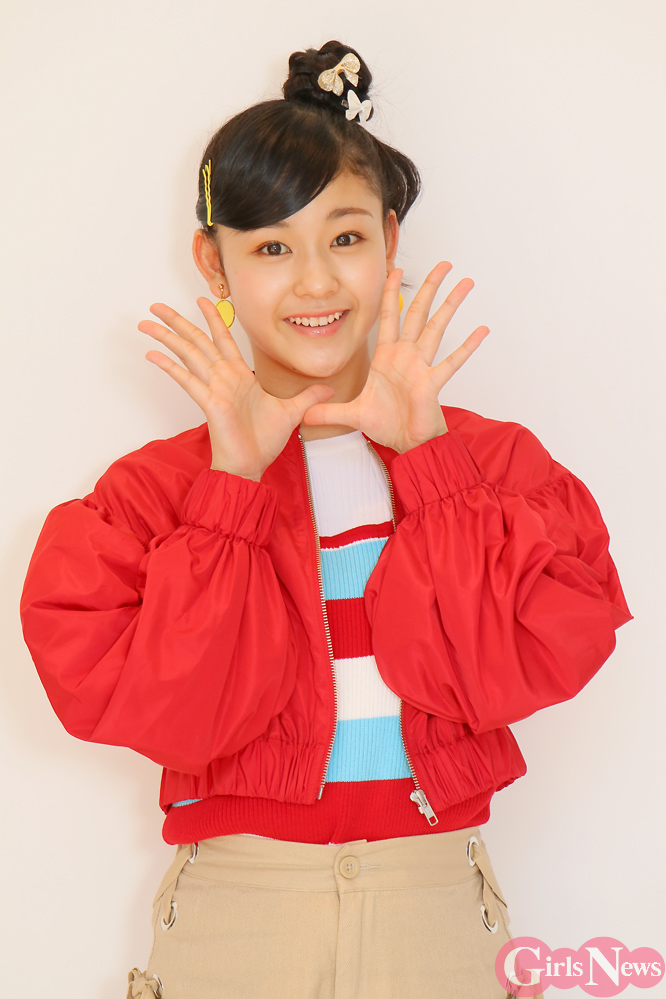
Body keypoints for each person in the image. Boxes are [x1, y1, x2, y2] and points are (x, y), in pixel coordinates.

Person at [19, 40, 633, 999]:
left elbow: (506, 673)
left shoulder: (487, 467)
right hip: (238, 911)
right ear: (214, 262)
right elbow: (180, 716)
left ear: (389, 240)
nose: (314, 282)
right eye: (272, 247)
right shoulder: (157, 493)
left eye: (344, 239)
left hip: (436, 907)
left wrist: (430, 461)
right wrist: (231, 484)